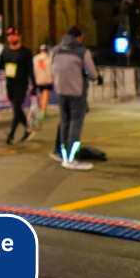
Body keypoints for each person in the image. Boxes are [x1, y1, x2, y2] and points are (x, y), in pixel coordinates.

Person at [50, 26, 98, 171]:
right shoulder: (82, 51)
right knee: (75, 125)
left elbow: (52, 69)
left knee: (64, 123)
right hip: (77, 93)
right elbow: (93, 74)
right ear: (81, 37)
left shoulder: (56, 50)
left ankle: (64, 156)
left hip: (60, 91)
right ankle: (71, 159)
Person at [0, 28, 35, 145]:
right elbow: (0, 65)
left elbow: (30, 69)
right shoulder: (6, 52)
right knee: (17, 108)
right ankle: (28, 129)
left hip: (21, 84)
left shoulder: (25, 52)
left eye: (14, 35)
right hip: (10, 83)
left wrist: (34, 84)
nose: (12, 37)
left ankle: (11, 135)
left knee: (16, 107)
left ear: (19, 37)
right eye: (9, 35)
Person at [31, 43, 54, 128]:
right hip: (47, 79)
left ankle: (42, 110)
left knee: (41, 95)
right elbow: (52, 69)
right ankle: (43, 112)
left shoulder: (35, 58)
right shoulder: (49, 58)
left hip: (38, 79)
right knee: (46, 95)